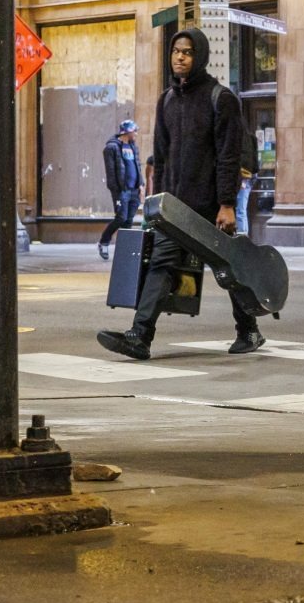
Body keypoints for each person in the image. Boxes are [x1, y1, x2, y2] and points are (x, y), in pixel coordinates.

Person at [96, 28, 262, 360]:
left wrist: (227, 204)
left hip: (212, 203)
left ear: (199, 56)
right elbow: (161, 156)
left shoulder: (221, 99)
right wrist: (156, 204)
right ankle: (140, 336)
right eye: (175, 51)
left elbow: (229, 155)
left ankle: (249, 329)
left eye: (187, 52)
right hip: (175, 207)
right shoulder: (167, 100)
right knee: (162, 263)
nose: (180, 57)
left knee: (227, 268)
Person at [97, 119, 143, 261]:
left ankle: (124, 249)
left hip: (134, 190)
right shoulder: (111, 148)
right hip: (121, 191)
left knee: (128, 220)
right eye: (134, 131)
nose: (136, 134)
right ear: (127, 131)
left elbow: (137, 166)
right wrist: (116, 190)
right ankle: (104, 241)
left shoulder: (133, 146)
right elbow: (111, 171)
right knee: (121, 217)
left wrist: (140, 185)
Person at [236, 121, 258, 238]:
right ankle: (242, 234)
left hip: (244, 176)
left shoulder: (241, 140)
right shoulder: (251, 138)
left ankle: (242, 237)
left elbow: (246, 160)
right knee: (241, 208)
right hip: (249, 175)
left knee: (240, 208)